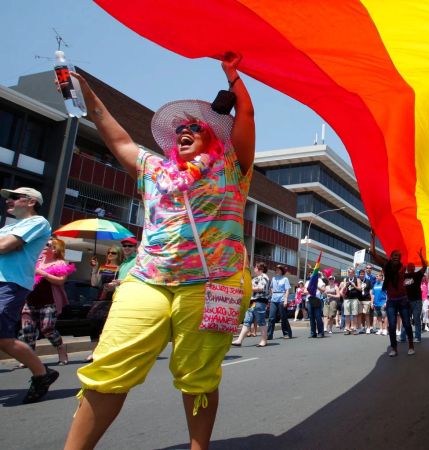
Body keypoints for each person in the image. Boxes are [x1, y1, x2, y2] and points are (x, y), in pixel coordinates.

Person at [65, 52, 254, 450]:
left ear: (213, 138)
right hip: (149, 279)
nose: (183, 131)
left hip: (214, 284)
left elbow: (247, 119)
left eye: (193, 127)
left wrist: (233, 80)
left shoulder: (233, 168)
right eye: (179, 128)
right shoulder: (153, 169)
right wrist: (86, 95)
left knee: (198, 374)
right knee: (109, 367)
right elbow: (115, 137)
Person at [0, 187, 59, 403]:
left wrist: (8, 245)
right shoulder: (12, 226)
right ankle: (43, 373)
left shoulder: (38, 222)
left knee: (4, 338)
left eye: (14, 197)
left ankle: (42, 373)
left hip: (10, 283)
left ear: (30, 201)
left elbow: (4, 247)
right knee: (4, 339)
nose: (9, 201)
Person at [20, 237, 75, 365]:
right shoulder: (37, 261)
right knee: (27, 331)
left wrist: (43, 274)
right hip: (30, 300)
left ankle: (61, 350)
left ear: (55, 249)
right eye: (44, 244)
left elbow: (61, 281)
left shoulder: (61, 263)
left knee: (47, 328)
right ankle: (29, 358)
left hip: (49, 302)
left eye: (48, 245)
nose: (44, 246)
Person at [370, 233, 417, 356]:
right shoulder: (386, 266)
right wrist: (373, 238)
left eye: (398, 256)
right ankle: (394, 348)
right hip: (391, 301)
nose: (396, 257)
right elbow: (373, 253)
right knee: (391, 326)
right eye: (394, 255)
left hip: (403, 300)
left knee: (406, 324)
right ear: (391, 257)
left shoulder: (403, 267)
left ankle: (411, 345)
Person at [233, 262, 270, 347]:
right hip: (253, 301)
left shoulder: (263, 277)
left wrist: (249, 288)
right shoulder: (258, 277)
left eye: (256, 268)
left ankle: (264, 340)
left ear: (260, 269)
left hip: (259, 301)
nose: (254, 269)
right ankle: (239, 340)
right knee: (247, 321)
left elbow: (261, 288)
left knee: (261, 321)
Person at [268, 265, 292, 340]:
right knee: (271, 317)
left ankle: (287, 333)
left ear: (282, 271)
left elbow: (287, 290)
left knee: (283, 317)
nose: (277, 271)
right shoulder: (273, 278)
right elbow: (271, 287)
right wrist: (272, 294)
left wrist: (285, 300)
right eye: (276, 270)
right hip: (274, 299)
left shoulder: (285, 279)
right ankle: (269, 335)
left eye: (278, 270)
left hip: (282, 298)